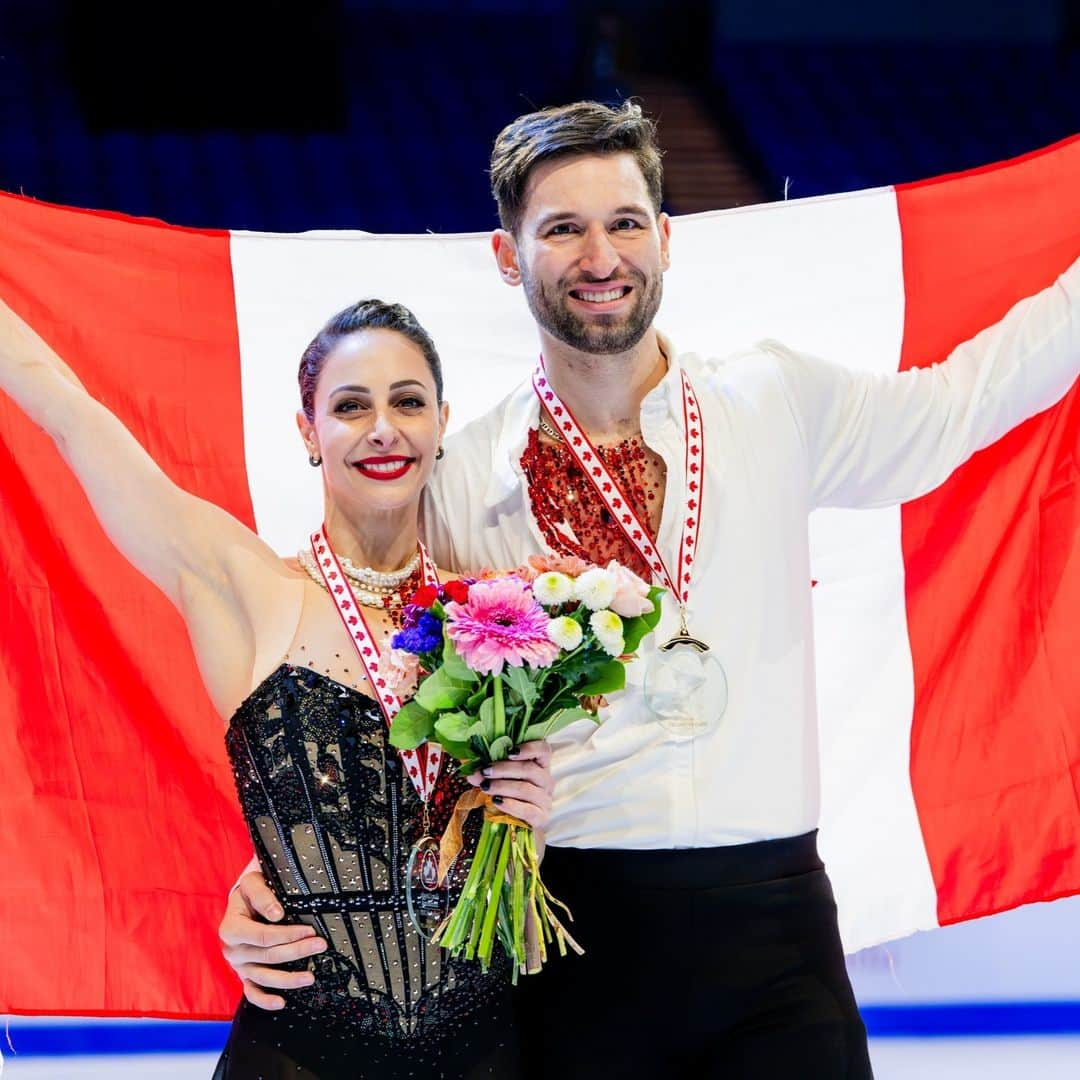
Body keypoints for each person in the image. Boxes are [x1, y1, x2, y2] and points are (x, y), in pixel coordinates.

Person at [220, 101, 1080, 1078]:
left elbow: (961, 404)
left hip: (775, 940)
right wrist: (288, 868)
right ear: (509, 257)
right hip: (563, 942)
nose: (600, 255)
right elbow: (365, 675)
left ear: (665, 239)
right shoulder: (458, 477)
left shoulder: (773, 401)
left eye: (625, 222)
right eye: (563, 228)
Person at [0, 295, 557, 1079]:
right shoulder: (250, 590)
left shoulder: (501, 622)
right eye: (349, 406)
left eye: (407, 402)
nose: (383, 428)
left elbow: (523, 885)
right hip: (298, 1055)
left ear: (441, 423)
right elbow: (70, 415)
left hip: (486, 1053)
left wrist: (536, 814)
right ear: (308, 431)